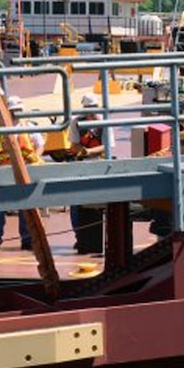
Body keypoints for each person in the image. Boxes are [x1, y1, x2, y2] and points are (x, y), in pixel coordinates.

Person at [0, 95, 44, 251]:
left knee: (24, 207)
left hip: (24, 171)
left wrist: (35, 158)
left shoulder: (28, 127)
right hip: (3, 173)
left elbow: (40, 145)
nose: (17, 114)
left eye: (19, 111)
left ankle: (26, 240)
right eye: (14, 111)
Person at [67, 93, 115, 254]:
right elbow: (73, 146)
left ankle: (105, 238)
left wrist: (88, 151)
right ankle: (80, 236)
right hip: (81, 167)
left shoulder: (104, 122)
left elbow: (108, 146)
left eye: (93, 108)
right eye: (88, 109)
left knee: (102, 204)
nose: (91, 112)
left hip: (101, 167)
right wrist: (81, 151)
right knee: (76, 203)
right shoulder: (76, 123)